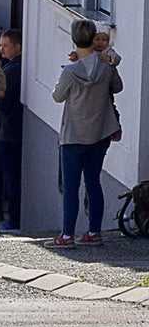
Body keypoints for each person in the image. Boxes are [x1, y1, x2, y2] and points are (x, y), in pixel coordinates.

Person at [47, 18, 121, 248]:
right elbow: (117, 87)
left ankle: (67, 235)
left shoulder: (70, 70)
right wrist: (110, 62)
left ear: (74, 39)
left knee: (71, 187)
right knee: (93, 181)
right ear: (93, 39)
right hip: (100, 132)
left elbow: (58, 96)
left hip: (74, 134)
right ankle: (94, 232)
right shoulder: (106, 66)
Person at [0, 29, 23, 232]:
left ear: (17, 47)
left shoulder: (12, 71)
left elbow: (2, 104)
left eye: (5, 46)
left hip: (9, 132)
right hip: (11, 131)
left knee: (11, 178)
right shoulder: (12, 67)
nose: (1, 49)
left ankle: (13, 219)